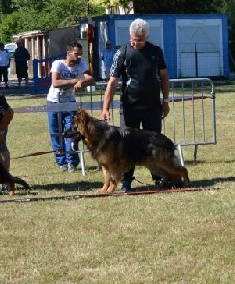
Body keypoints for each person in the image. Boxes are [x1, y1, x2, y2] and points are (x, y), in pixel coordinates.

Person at [101, 18, 171, 191]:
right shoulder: (122, 53)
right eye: (134, 38)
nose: (136, 42)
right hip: (130, 106)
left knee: (154, 143)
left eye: (140, 39)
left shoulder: (156, 51)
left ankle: (158, 178)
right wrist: (105, 108)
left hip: (152, 106)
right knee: (126, 145)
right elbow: (112, 82)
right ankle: (126, 180)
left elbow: (164, 77)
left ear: (146, 36)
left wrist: (166, 101)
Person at [47, 42, 94, 171]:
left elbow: (90, 78)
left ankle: (72, 162)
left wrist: (82, 81)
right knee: (55, 132)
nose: (79, 57)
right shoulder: (58, 64)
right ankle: (61, 162)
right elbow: (55, 82)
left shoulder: (81, 65)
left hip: (70, 102)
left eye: (80, 54)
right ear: (68, 53)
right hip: (54, 101)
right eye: (76, 54)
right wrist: (74, 81)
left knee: (72, 132)